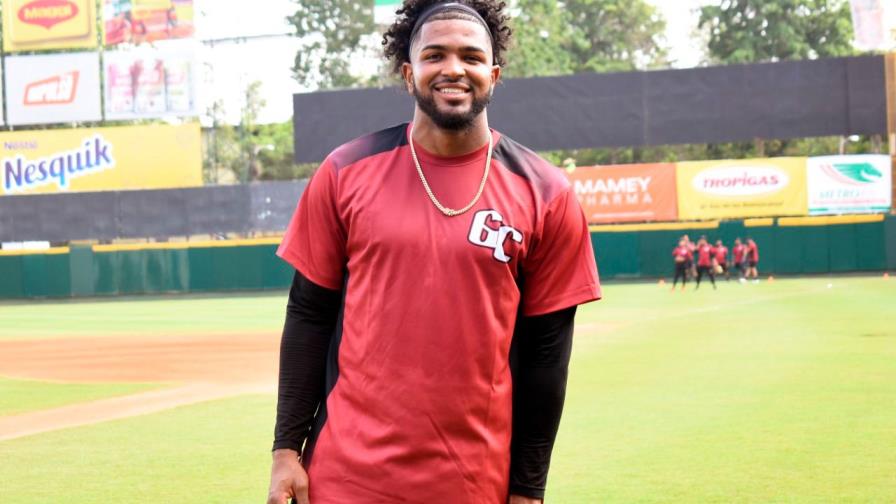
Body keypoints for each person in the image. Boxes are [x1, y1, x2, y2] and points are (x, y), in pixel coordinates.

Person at [266, 2, 601, 503]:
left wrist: (529, 490)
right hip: (345, 481)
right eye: (434, 55)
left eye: (470, 56)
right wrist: (286, 450)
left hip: (474, 485)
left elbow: (546, 356)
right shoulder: (344, 172)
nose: (453, 69)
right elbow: (308, 316)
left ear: (494, 73)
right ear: (409, 72)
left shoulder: (546, 193)